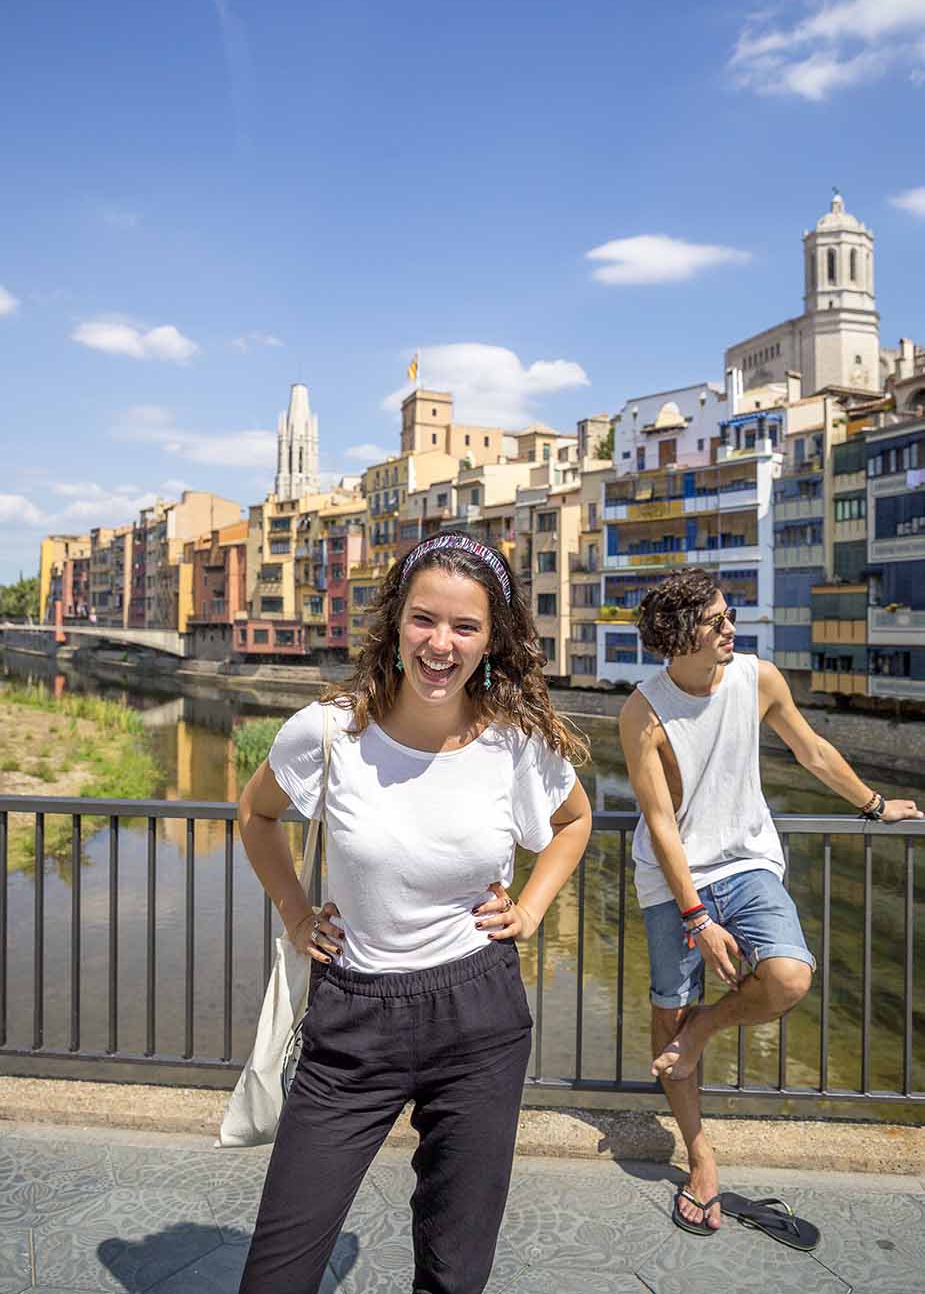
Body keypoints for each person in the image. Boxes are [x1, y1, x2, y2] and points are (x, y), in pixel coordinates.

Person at [237, 532, 592, 1293]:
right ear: (395, 624)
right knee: (277, 1270)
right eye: (424, 620)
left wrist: (529, 909)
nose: (441, 643)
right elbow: (254, 815)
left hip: (479, 1017)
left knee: (454, 1273)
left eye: (465, 627)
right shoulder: (329, 731)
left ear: (492, 640)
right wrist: (297, 915)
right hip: (353, 1019)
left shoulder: (515, 743)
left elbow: (572, 823)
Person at [619, 568, 922, 1236]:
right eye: (717, 621)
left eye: (729, 616)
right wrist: (696, 918)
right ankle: (699, 1156)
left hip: (747, 861)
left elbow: (810, 751)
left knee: (787, 976)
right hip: (671, 880)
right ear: (678, 636)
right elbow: (662, 823)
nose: (732, 628)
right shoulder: (642, 711)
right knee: (667, 1010)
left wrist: (873, 804)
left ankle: (702, 1030)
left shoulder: (758, 679)